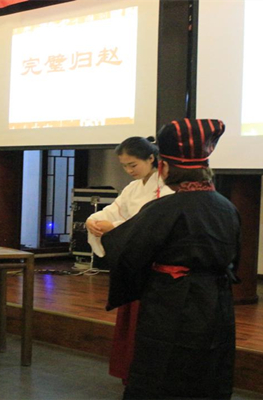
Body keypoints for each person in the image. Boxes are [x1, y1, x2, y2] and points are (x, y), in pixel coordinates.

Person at [102, 119, 240, 399]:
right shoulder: (227, 207)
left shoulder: (164, 208)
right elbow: (234, 258)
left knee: (164, 371)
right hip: (217, 301)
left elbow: (128, 253)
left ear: (164, 167)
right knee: (210, 368)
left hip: (171, 301)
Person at [85, 137, 173, 383]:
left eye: (133, 165)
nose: (128, 171)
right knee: (130, 322)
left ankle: (147, 375)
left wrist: (114, 227)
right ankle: (129, 372)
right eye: (124, 166)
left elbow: (149, 226)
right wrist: (94, 220)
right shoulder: (133, 188)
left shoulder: (167, 188)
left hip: (153, 267)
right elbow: (114, 210)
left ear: (151, 158)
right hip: (132, 264)